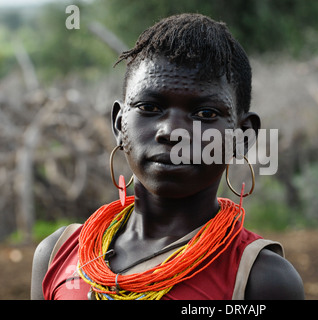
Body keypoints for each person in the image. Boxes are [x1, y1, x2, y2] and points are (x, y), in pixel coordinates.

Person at [30, 13, 304, 300]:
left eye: (205, 114)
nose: (171, 131)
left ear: (243, 136)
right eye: (149, 107)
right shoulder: (58, 254)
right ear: (119, 126)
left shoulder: (260, 279)